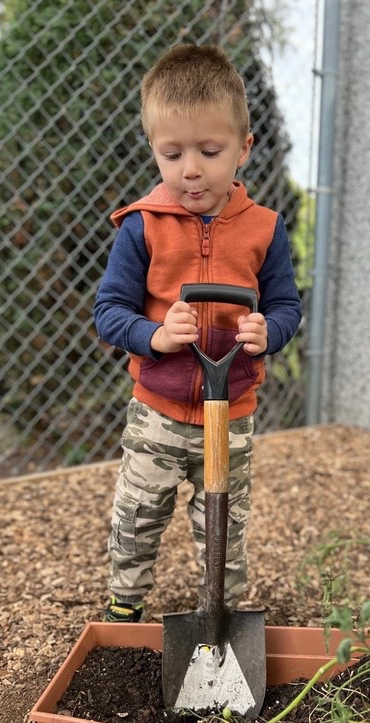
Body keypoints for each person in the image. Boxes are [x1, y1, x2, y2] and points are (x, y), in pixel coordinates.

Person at [93, 43, 302, 622]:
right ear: (154, 151)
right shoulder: (142, 227)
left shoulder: (265, 229)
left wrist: (268, 330)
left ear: (243, 148)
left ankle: (222, 616)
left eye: (210, 151)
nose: (191, 169)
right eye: (172, 153)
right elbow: (109, 311)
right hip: (157, 410)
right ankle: (125, 605)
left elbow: (286, 305)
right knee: (138, 513)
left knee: (224, 524)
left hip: (230, 412)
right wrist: (155, 335)